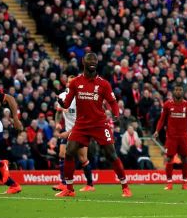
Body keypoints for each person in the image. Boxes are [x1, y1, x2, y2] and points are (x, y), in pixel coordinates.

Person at [55, 53, 131, 198]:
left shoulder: (103, 83)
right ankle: (69, 189)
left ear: (97, 63)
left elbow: (113, 101)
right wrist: (61, 103)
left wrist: (115, 113)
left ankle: (125, 186)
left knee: (111, 154)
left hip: (100, 124)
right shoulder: (75, 82)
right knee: (69, 152)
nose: (92, 62)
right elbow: (67, 102)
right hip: (81, 124)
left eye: (95, 60)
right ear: (83, 61)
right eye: (89, 60)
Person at [153, 83, 187, 190]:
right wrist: (157, 130)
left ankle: (184, 183)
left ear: (183, 91)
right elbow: (162, 120)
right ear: (173, 91)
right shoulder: (167, 105)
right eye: (176, 90)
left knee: (184, 159)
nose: (178, 91)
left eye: (180, 90)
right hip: (171, 137)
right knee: (169, 158)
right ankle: (169, 183)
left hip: (183, 136)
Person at [52, 75, 94, 193]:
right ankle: (63, 183)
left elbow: (84, 119)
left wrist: (69, 132)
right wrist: (57, 124)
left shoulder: (81, 98)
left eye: (73, 82)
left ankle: (90, 184)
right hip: (68, 131)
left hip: (80, 130)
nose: (70, 84)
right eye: (69, 82)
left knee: (82, 158)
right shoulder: (62, 96)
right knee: (62, 154)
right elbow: (58, 113)